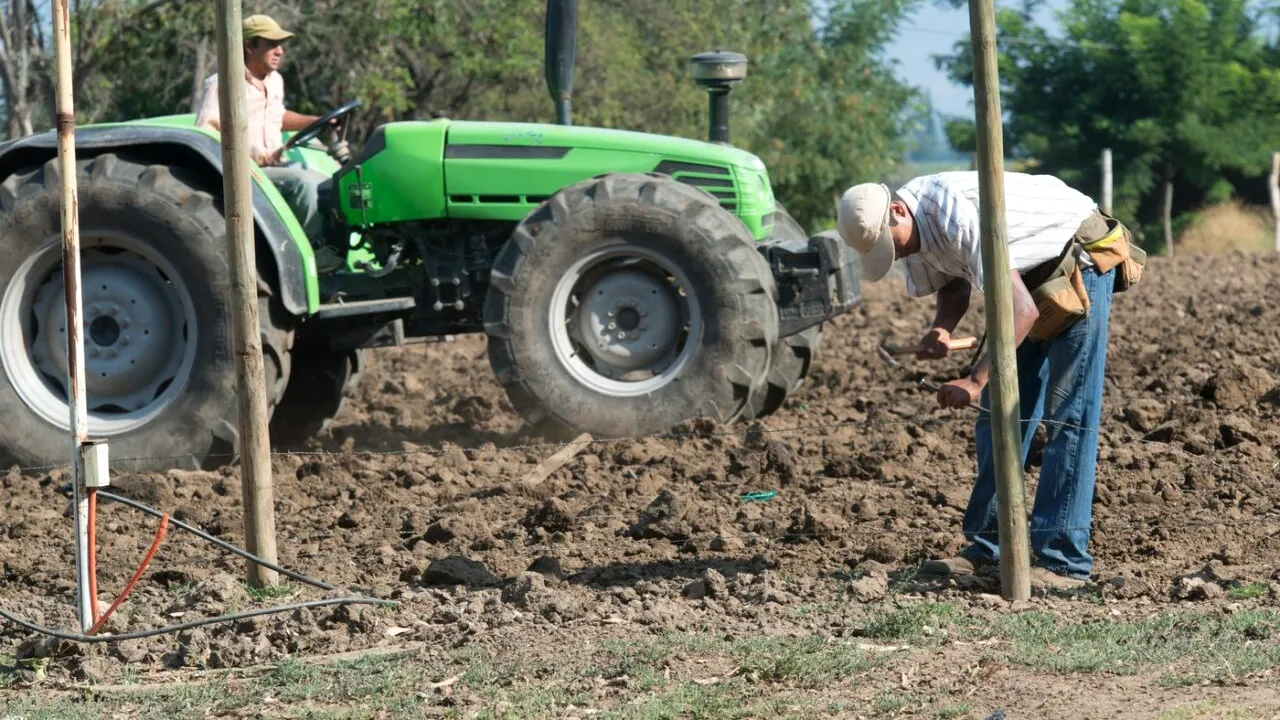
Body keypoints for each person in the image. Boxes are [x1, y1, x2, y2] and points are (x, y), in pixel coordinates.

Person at [836, 170, 1143, 591]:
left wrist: (975, 382)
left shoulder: (953, 212)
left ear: (896, 211)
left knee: (1068, 414)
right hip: (1026, 278)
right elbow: (954, 286)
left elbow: (1021, 313)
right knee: (1001, 415)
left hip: (1076, 258)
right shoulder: (915, 233)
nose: (899, 253)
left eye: (895, 244)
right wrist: (942, 330)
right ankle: (987, 548)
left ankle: (1064, 561)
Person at [195, 14, 343, 273]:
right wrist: (254, 156)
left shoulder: (275, 81)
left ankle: (339, 252)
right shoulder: (223, 84)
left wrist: (317, 121)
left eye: (281, 44)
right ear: (249, 46)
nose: (280, 51)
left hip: (276, 167)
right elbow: (206, 132)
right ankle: (311, 255)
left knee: (335, 184)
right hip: (247, 174)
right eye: (272, 44)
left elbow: (278, 117)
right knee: (304, 184)